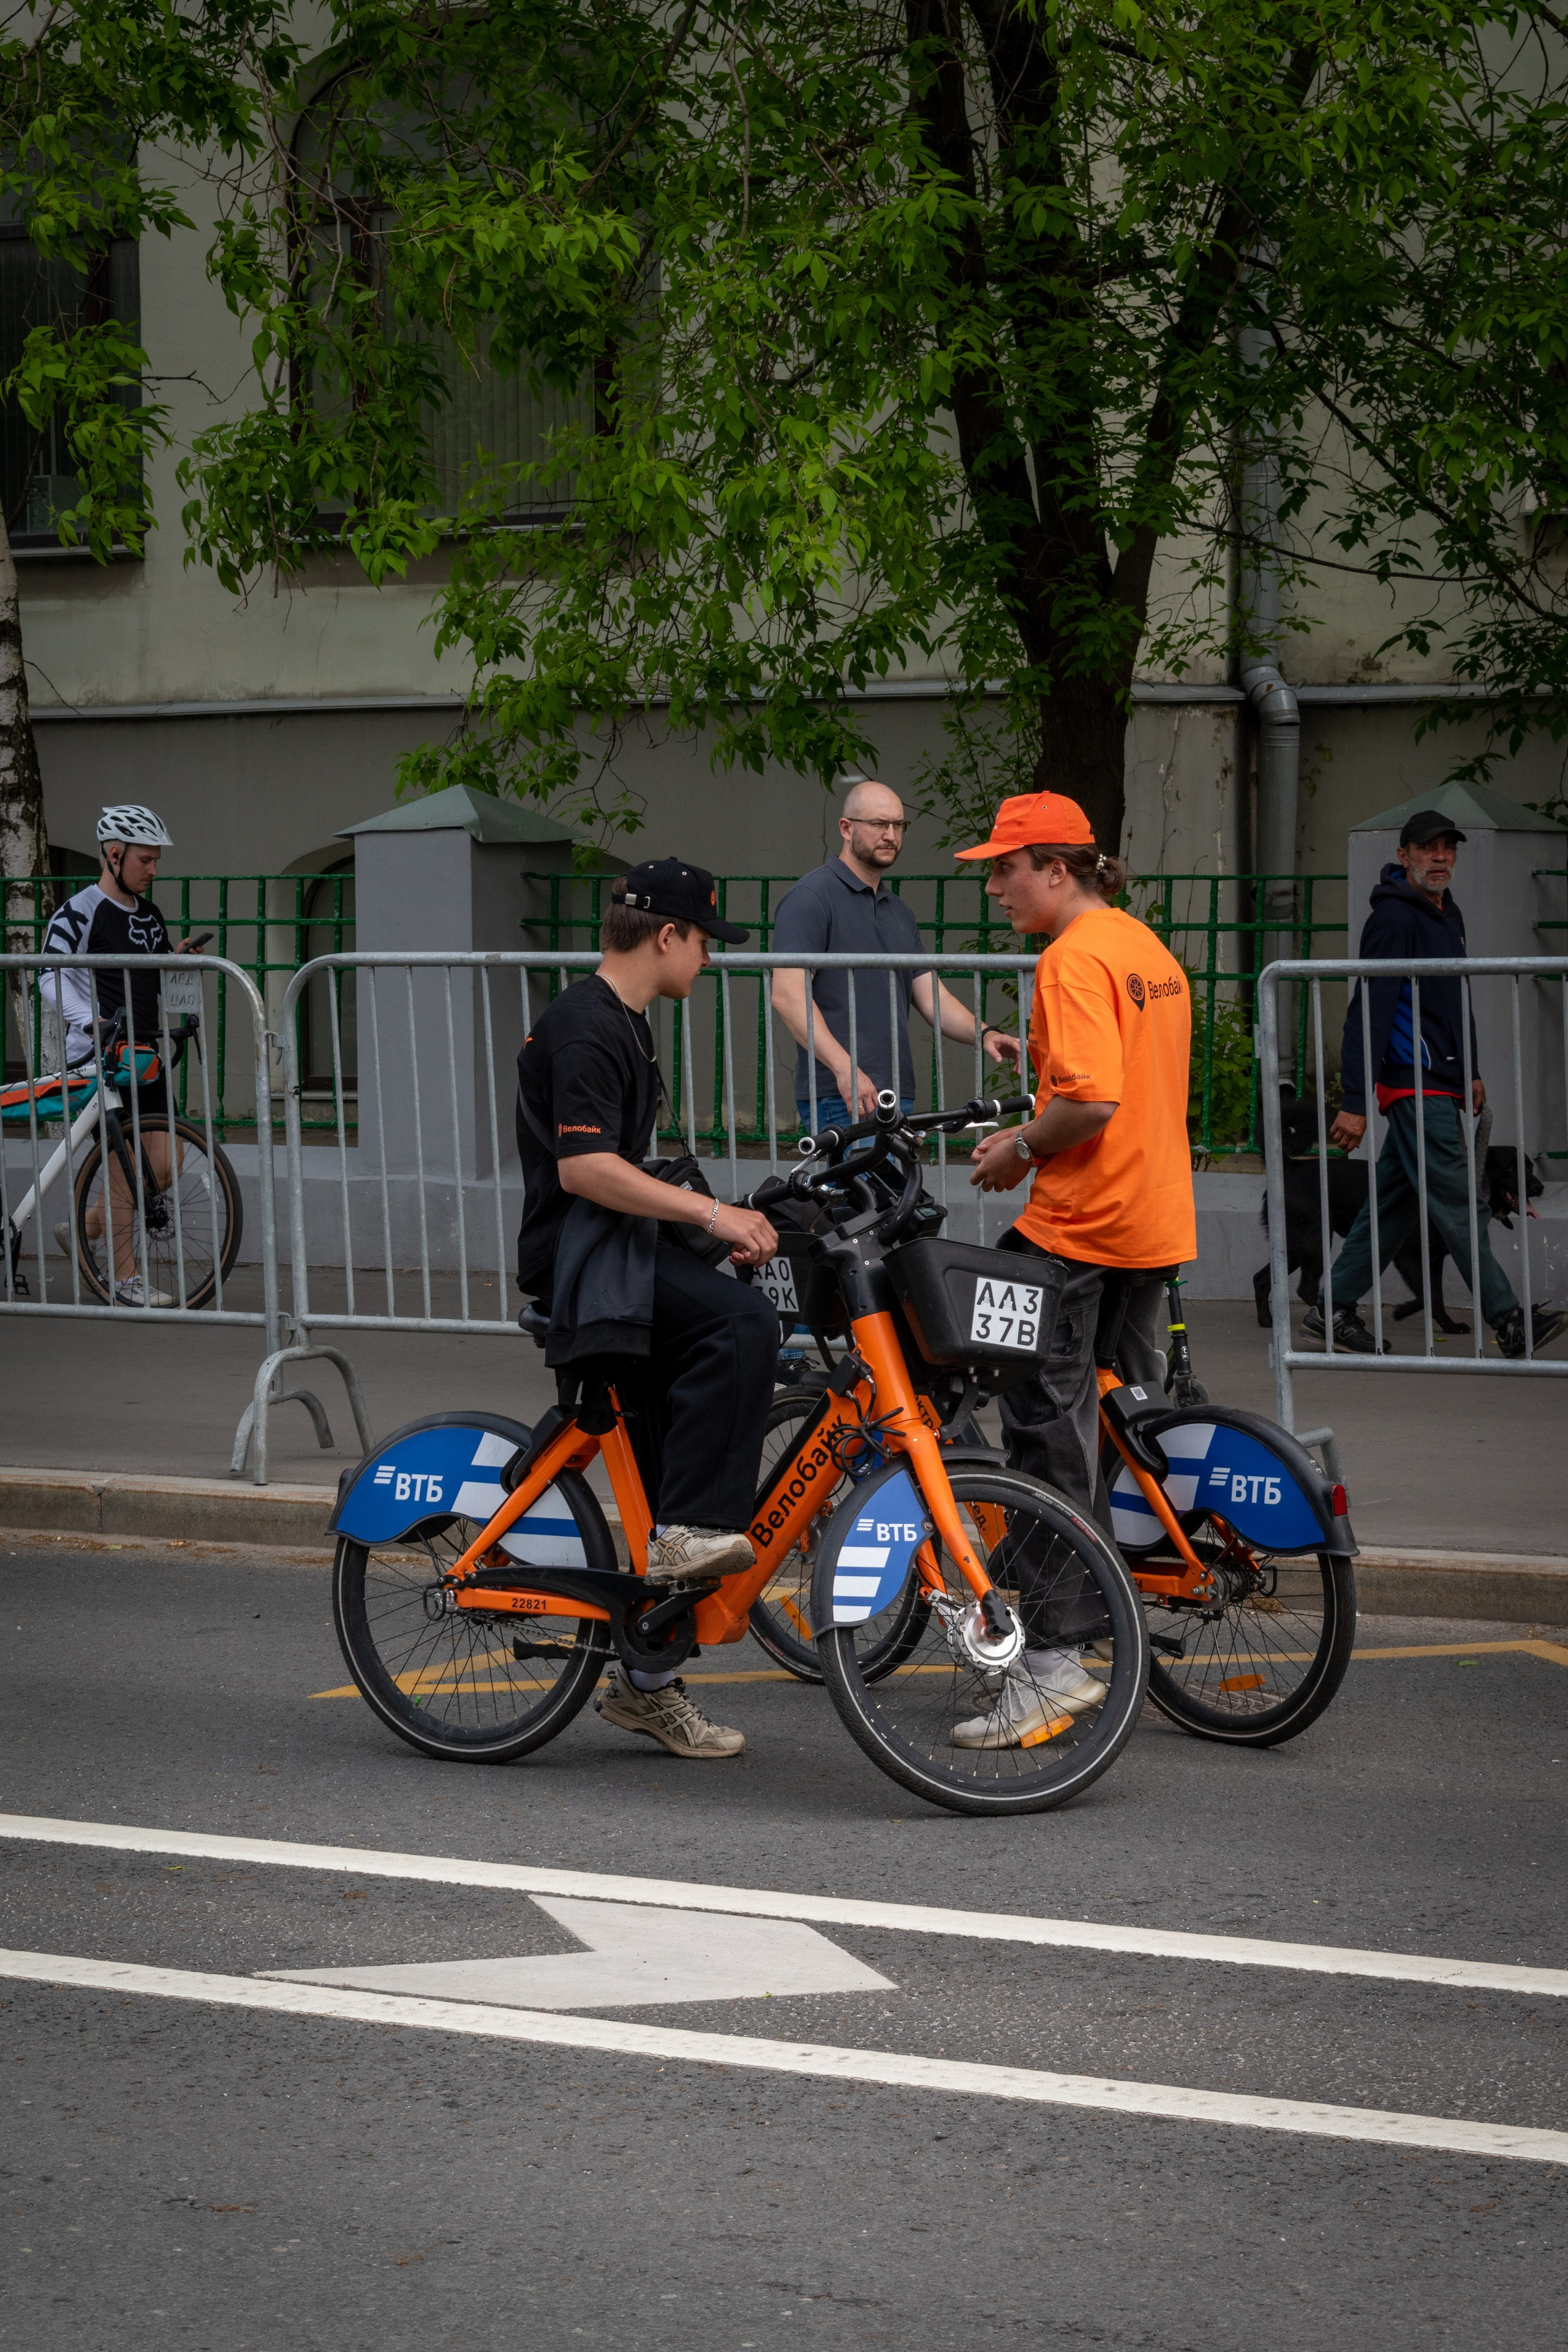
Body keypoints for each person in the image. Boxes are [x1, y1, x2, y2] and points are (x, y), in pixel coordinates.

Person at [515, 856, 780, 1762]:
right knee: (743, 1326)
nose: (708, 958)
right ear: (666, 936)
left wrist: (729, 1221)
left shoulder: (627, 1023)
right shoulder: (585, 1026)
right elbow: (585, 1170)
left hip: (621, 1251)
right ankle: (685, 1534)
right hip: (585, 1262)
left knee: (703, 1381)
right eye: (704, 941)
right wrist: (712, 1214)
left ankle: (650, 1684)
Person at [956, 791, 1197, 1748]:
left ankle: (1052, 1666)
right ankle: (1077, 1621)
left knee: (1040, 1436)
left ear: (1057, 868)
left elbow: (1090, 1101)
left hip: (1081, 1226)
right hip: (1152, 1220)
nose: (995, 889)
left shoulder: (1070, 958)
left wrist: (1019, 1145)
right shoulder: (1145, 948)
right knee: (1082, 1420)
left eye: (1005, 870)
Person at [1308, 809, 1566, 1359]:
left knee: (1392, 1210)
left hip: (1439, 1081)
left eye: (1448, 847)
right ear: (1405, 857)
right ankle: (1509, 1320)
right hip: (1413, 1085)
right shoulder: (1396, 920)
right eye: (1428, 848)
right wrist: (1355, 1099)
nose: (1441, 856)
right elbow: (1368, 1009)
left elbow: (1453, 999)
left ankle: (1331, 1308)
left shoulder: (1447, 913)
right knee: (1460, 1204)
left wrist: (1468, 1067)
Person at [771, 775, 1022, 1129]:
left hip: (894, 1093)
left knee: (888, 1187)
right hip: (841, 1092)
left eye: (898, 825)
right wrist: (846, 1069)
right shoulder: (811, 898)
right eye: (878, 824)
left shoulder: (898, 911)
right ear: (846, 828)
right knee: (860, 1187)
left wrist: (986, 1034)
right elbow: (787, 995)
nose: (891, 835)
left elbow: (932, 997)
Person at [39, 805, 202, 1307]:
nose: (154, 870)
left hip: (145, 1054)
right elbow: (48, 973)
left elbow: (148, 973)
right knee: (124, 1166)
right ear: (114, 855)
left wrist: (176, 963)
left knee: (165, 1161)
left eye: (156, 860)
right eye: (146, 860)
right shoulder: (78, 912)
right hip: (103, 1058)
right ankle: (125, 1279)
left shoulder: (150, 916)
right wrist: (89, 1021)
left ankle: (85, 1230)